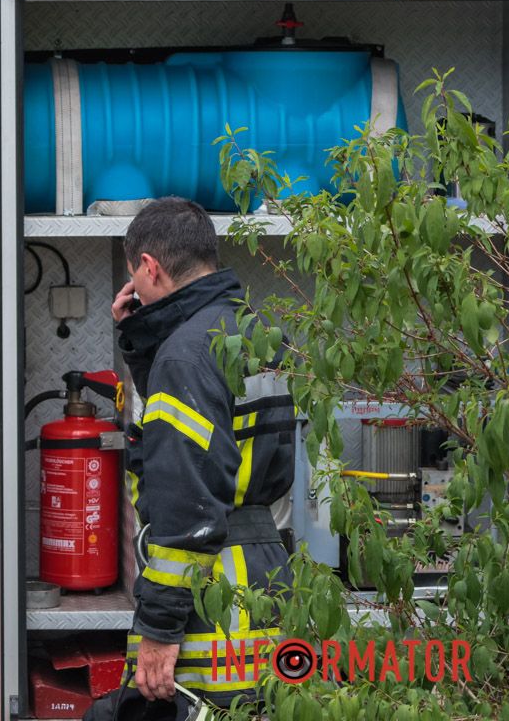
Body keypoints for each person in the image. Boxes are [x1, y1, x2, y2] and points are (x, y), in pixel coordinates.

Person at [85, 198, 295, 721]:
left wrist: (159, 631)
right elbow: (209, 429)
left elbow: (185, 503)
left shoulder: (185, 357)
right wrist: (145, 342)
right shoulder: (256, 333)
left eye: (136, 275)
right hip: (264, 576)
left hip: (208, 596)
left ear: (149, 267)